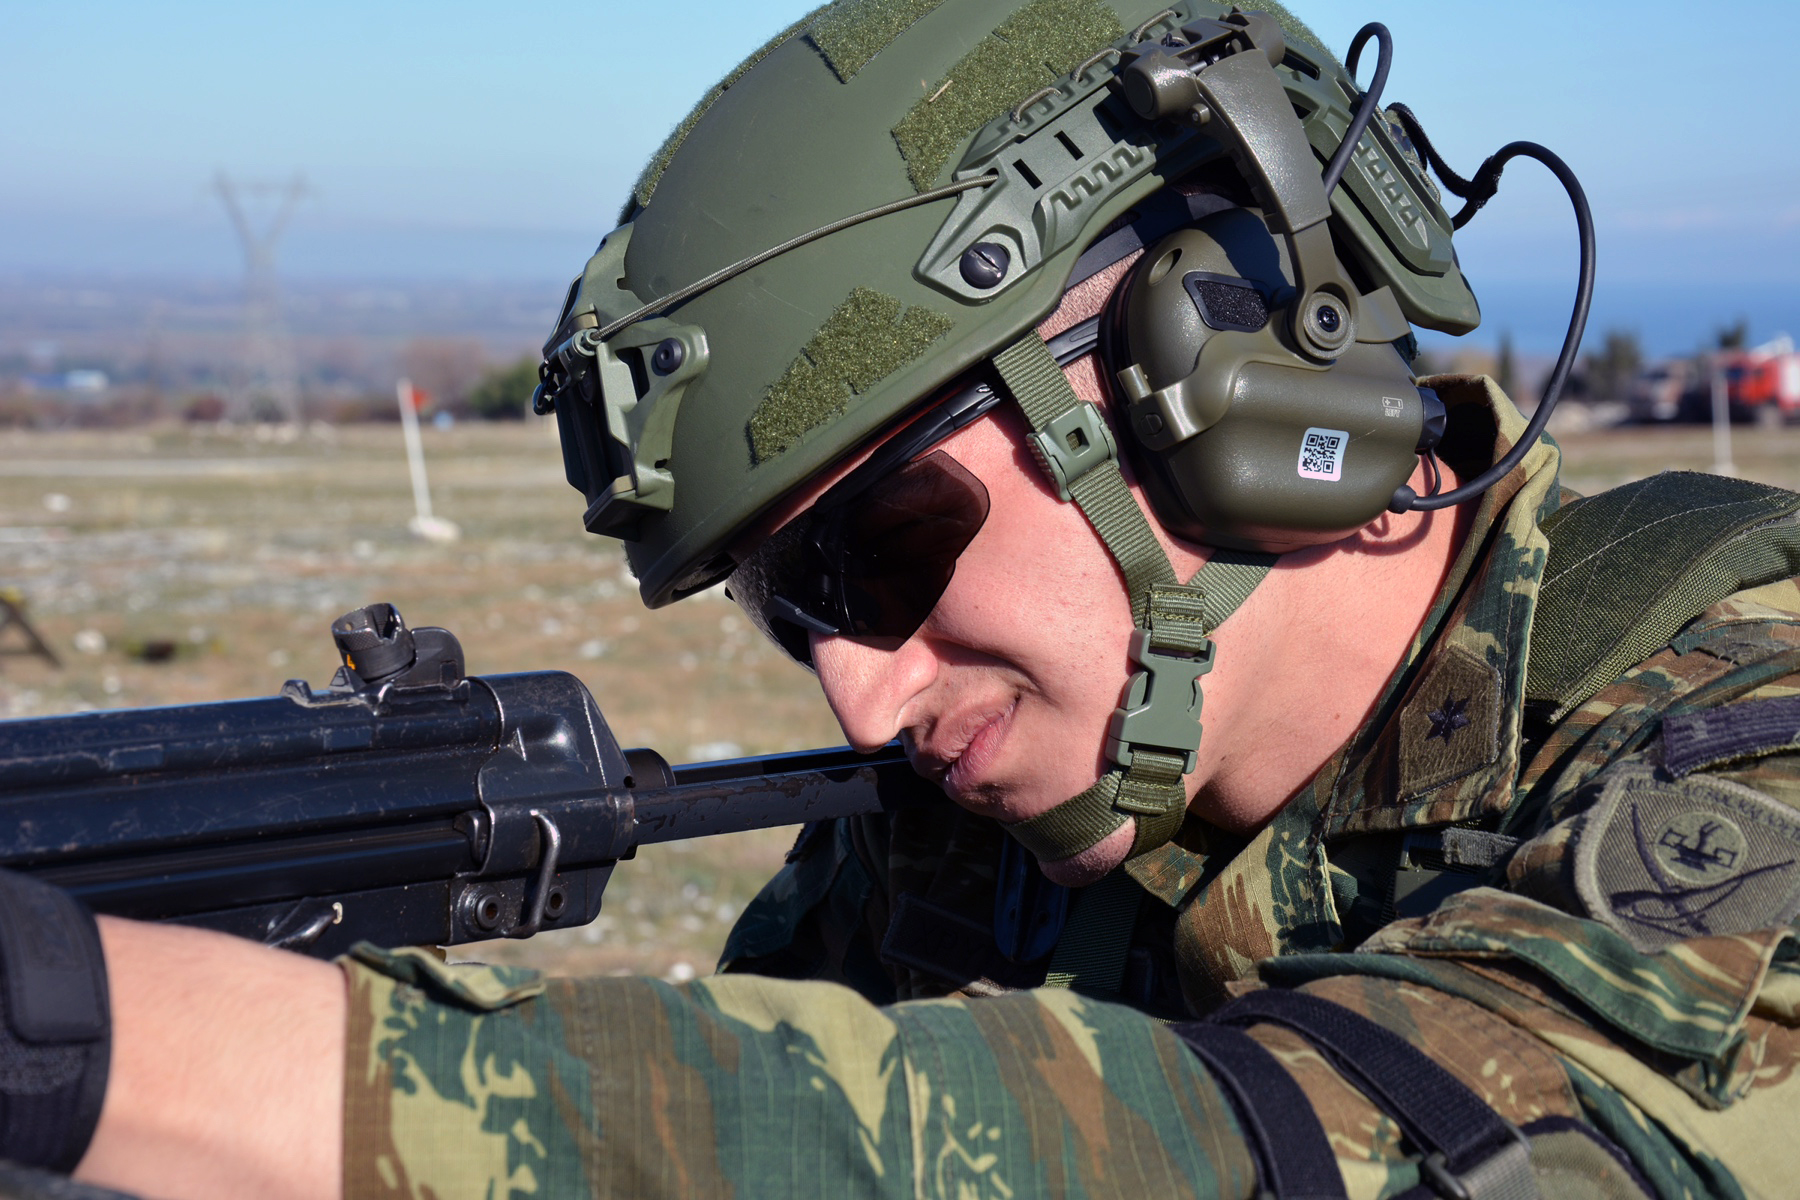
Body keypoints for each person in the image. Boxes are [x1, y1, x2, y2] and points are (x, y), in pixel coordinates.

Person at [6, 1, 1800, 1197]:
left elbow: (1352, 1146)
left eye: (878, 551)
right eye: (794, 607)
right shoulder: (985, 827)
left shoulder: (1747, 733)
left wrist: (137, 1041)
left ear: (1214, 379)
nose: (860, 696)